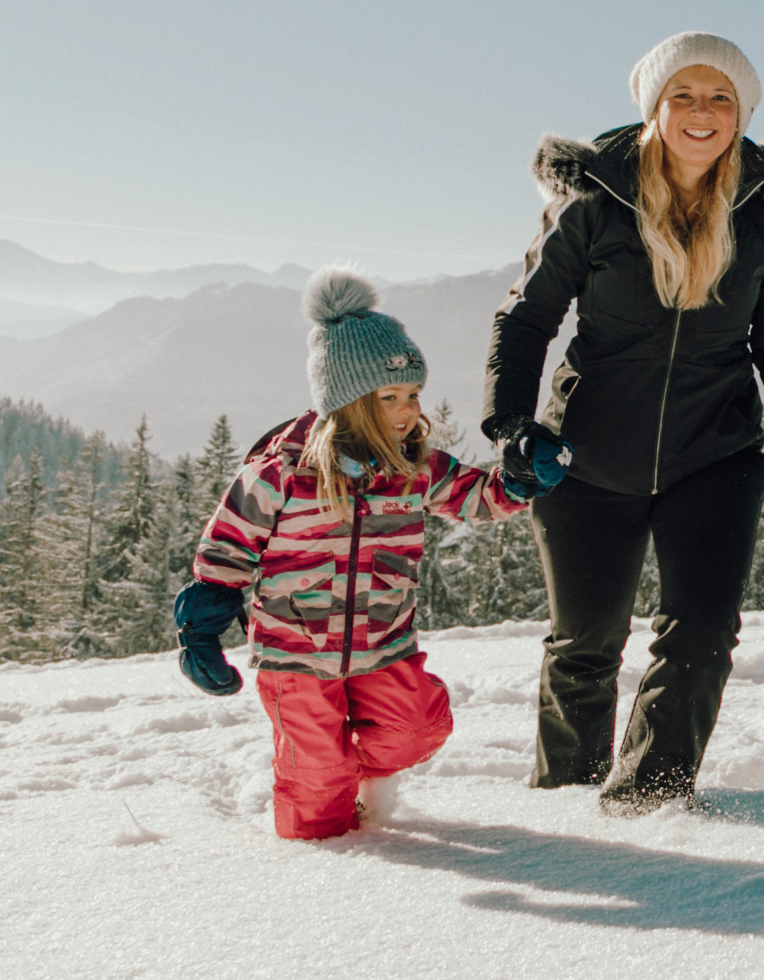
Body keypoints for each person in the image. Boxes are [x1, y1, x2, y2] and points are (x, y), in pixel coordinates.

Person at [485, 31, 764, 814]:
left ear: (742, 114)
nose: (702, 112)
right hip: (585, 452)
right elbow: (528, 318)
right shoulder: (591, 202)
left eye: (721, 98)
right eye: (684, 94)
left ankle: (647, 803)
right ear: (654, 106)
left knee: (703, 633)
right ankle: (565, 808)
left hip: (714, 453)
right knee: (584, 645)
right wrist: (512, 423)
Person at [174, 268, 566, 840]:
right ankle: (324, 857)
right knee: (315, 778)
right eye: (390, 397)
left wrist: (523, 477)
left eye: (412, 395)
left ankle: (351, 779)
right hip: (296, 655)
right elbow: (226, 552)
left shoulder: (415, 467)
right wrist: (201, 631)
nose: (407, 410)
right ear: (347, 401)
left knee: (417, 730)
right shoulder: (281, 473)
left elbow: (478, 498)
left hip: (385, 645)